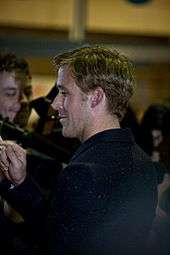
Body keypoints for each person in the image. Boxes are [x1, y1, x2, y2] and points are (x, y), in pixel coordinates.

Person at [0, 45, 158, 255]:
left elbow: (50, 244)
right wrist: (19, 182)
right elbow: (61, 226)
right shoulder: (141, 162)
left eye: (64, 93)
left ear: (96, 97)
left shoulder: (86, 171)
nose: (55, 104)